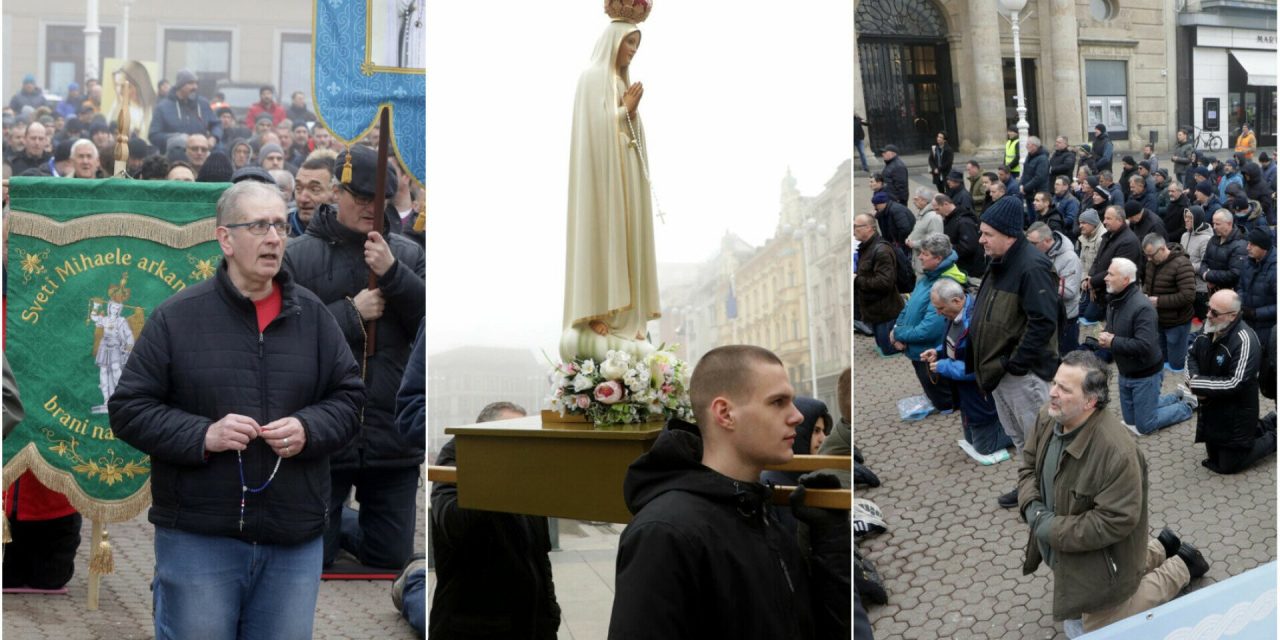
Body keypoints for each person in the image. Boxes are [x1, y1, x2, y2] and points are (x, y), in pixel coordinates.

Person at [109, 181, 365, 639]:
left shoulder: (315, 317)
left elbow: (349, 400)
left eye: (280, 225)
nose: (274, 238)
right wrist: (202, 435)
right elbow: (129, 408)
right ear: (225, 239)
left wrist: (310, 428)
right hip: (200, 537)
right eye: (259, 226)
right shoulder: (177, 317)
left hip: (293, 538)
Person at [609, 345, 850, 639]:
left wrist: (831, 545)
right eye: (777, 402)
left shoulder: (760, 508)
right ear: (725, 413)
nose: (797, 416)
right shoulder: (664, 533)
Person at [284, 144, 426, 571]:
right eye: (360, 198)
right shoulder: (297, 256)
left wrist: (394, 274)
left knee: (390, 558)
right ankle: (337, 523)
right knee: (317, 558)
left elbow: (428, 318)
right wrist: (350, 313)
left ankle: (347, 526)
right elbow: (288, 332)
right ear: (336, 193)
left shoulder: (408, 253)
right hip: (327, 429)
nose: (369, 208)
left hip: (389, 431)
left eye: (377, 199)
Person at [1019, 351, 1209, 636]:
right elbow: (1027, 467)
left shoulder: (1117, 452)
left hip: (1101, 555)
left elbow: (1114, 521)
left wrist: (1046, 525)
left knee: (1093, 628)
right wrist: (1032, 507)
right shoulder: (1047, 418)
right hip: (1073, 550)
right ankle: (1160, 547)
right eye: (1054, 383)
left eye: (1064, 389)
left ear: (1090, 401)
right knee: (1100, 589)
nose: (1052, 394)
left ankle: (1182, 564)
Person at [562, 18, 660, 361]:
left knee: (630, 244)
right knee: (605, 239)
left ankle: (630, 320)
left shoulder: (620, 81)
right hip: (603, 183)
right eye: (629, 43)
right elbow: (594, 130)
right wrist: (625, 111)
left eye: (637, 45)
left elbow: (630, 133)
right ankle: (599, 312)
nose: (632, 51)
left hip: (627, 178)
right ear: (613, 41)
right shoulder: (593, 78)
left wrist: (630, 116)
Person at [430, 401, 560, 639]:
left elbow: (540, 557)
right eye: (511, 434)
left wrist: (550, 616)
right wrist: (498, 471)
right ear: (482, 435)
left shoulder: (524, 474)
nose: (519, 445)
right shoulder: (455, 460)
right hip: (472, 629)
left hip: (531, 626)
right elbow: (456, 524)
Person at [971, 195, 1059, 508]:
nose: (980, 239)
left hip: (1023, 374)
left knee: (1041, 441)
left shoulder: (1032, 267)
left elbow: (1043, 322)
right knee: (1021, 439)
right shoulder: (998, 261)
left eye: (987, 234)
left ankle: (1051, 496)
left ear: (1009, 234)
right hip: (1001, 372)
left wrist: (1016, 363)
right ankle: (1030, 487)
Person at [1100, 258, 1194, 435]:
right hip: (1126, 372)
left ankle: (1187, 406)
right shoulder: (1114, 301)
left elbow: (1145, 345)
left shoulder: (1142, 308)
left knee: (1145, 425)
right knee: (1130, 421)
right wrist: (1105, 335)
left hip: (1145, 374)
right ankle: (1175, 396)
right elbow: (1112, 329)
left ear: (1126, 280)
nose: (1105, 277)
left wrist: (1112, 342)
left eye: (1111, 274)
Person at [922, 278, 1014, 456]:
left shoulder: (976, 323)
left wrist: (944, 366)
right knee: (972, 439)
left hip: (980, 395)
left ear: (957, 301)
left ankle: (1024, 434)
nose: (938, 313)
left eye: (940, 308)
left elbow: (977, 368)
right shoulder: (955, 314)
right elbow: (954, 344)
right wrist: (939, 352)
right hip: (966, 395)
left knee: (984, 447)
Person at [1188, 290, 1276, 474]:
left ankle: (1274, 437)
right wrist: (1194, 379)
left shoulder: (1245, 340)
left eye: (1214, 312)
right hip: (1214, 407)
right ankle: (1271, 421)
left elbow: (1236, 382)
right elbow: (1192, 353)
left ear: (1232, 315)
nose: (1208, 315)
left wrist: (1198, 385)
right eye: (1208, 308)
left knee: (1229, 466)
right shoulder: (1210, 325)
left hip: (1238, 411)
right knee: (1214, 457)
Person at [892, 233, 965, 412]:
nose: (920, 257)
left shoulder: (944, 284)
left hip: (930, 352)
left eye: (924, 253)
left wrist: (899, 334)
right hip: (918, 350)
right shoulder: (927, 278)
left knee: (945, 402)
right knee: (935, 396)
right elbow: (908, 307)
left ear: (938, 258)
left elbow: (930, 329)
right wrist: (896, 328)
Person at [1141, 234, 1197, 373]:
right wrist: (1144, 293)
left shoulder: (1182, 264)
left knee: (1177, 364)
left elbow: (1188, 296)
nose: (1148, 259)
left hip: (1177, 322)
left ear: (1162, 249)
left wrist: (1159, 302)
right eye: (1146, 255)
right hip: (1158, 320)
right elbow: (1148, 284)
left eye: (1151, 255)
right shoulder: (1152, 263)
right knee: (1162, 358)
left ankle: (1192, 343)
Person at [854, 212, 906, 356]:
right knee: (884, 350)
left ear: (869, 228)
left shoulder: (881, 250)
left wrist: (857, 280)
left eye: (856, 226)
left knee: (890, 352)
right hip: (875, 313)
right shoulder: (866, 247)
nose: (853, 230)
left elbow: (885, 282)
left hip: (886, 314)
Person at [1027, 222, 1081, 354]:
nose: (1030, 247)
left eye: (1033, 243)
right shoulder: (1038, 253)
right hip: (1046, 314)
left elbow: (1069, 292)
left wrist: (1040, 283)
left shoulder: (1070, 258)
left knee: (1067, 357)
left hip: (1066, 317)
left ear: (1047, 241)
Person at [1083, 205, 1141, 321]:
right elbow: (1097, 260)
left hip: (1115, 293)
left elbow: (1117, 272)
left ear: (1119, 220)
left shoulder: (1128, 242)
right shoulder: (1108, 235)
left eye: (1108, 218)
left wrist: (1092, 282)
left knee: (1093, 317)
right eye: (1104, 218)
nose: (1104, 222)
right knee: (1084, 313)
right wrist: (1089, 277)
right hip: (1099, 288)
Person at [148, 70, 218, 154]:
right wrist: (176, 139)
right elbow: (154, 135)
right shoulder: (162, 107)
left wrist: (214, 137)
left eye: (196, 83)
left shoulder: (203, 104)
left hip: (200, 157)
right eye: (190, 83)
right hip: (174, 158)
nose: (195, 87)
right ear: (180, 86)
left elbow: (217, 124)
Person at [1238, 227, 1276, 357]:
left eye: (1252, 245)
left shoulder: (1275, 269)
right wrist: (1240, 302)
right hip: (1246, 322)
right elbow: (1240, 286)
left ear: (1264, 247)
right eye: (1248, 243)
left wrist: (1256, 313)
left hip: (1267, 329)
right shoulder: (1249, 262)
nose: (1247, 247)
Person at [936, 193, 984, 279]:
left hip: (967, 270)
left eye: (937, 209)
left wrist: (946, 249)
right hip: (960, 267)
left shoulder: (964, 221)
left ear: (945, 204)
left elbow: (968, 247)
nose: (936, 213)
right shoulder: (951, 218)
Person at [289, 155, 336, 237]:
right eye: (298, 188)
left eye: (314, 190)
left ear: (336, 193)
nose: (303, 199)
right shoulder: (279, 231)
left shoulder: (352, 230)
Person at [1200, 209, 1247, 292]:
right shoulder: (1213, 239)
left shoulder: (1240, 245)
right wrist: (1205, 275)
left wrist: (1209, 276)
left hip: (1229, 294)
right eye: (1213, 223)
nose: (1214, 227)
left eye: (1217, 224)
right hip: (1213, 292)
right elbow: (1204, 261)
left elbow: (1234, 274)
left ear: (1229, 224)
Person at [108, 60, 156, 141]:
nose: (120, 91)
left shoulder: (153, 108)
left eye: (125, 86)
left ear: (139, 85)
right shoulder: (118, 104)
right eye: (117, 85)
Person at [906, 187, 944, 273]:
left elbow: (936, 241)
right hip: (919, 263)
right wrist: (910, 238)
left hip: (927, 267)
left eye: (916, 199)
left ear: (924, 200)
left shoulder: (933, 217)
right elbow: (918, 231)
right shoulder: (922, 214)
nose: (913, 201)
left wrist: (914, 243)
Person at [1021, 136, 1050, 223]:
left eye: (1028, 144)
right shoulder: (1029, 156)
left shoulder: (1042, 159)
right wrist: (1021, 184)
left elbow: (1039, 177)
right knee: (1031, 218)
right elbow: (1025, 172)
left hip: (1037, 192)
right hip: (1029, 193)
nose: (1026, 146)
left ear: (1034, 146)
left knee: (1037, 219)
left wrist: (1025, 188)